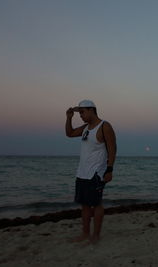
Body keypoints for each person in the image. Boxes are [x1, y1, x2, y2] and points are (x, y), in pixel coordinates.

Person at [65, 99, 117, 244]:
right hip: (82, 172)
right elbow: (69, 133)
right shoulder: (85, 128)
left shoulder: (104, 126)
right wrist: (69, 118)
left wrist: (110, 169)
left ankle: (96, 235)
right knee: (85, 205)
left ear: (91, 110)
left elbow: (113, 149)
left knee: (97, 204)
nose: (80, 115)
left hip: (96, 173)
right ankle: (85, 233)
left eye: (82, 112)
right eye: (79, 113)